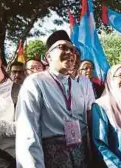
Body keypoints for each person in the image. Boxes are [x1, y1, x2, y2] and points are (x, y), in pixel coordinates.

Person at [16, 30, 90, 168]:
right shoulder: (35, 82)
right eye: (62, 47)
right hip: (51, 158)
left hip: (79, 157)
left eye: (72, 50)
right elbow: (27, 133)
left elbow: (83, 125)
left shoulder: (76, 85)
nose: (70, 53)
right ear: (48, 56)